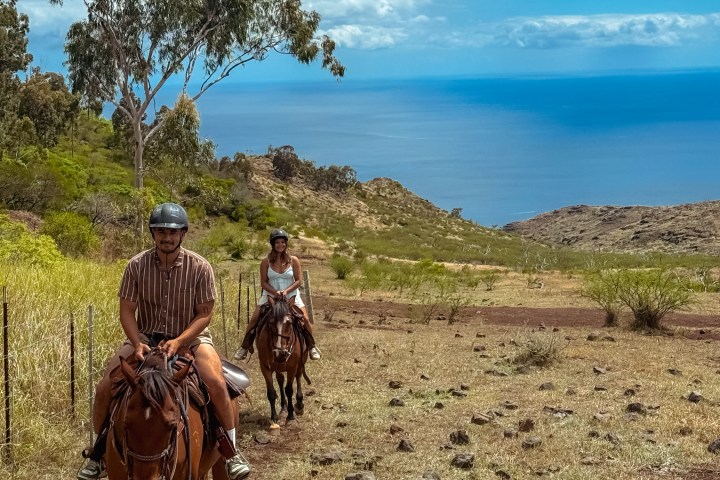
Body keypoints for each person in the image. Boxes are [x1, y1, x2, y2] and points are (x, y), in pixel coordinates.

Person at [77, 203, 251, 480]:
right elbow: (127, 311)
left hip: (191, 338)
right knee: (104, 387)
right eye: (160, 231)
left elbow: (204, 314)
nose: (166, 237)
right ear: (152, 233)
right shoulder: (136, 266)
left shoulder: (200, 267)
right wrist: (136, 343)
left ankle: (231, 451)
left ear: (182, 234)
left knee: (216, 383)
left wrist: (181, 340)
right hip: (146, 337)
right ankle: (98, 453)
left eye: (172, 232)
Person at [234, 228, 321, 361]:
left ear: (286, 244)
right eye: (277, 242)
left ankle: (311, 346)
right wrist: (275, 292)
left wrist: (286, 291)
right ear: (273, 244)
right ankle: (245, 347)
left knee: (305, 319)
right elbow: (263, 282)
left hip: (291, 294)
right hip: (270, 294)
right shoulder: (266, 262)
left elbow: (298, 280)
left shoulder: (294, 260)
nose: (280, 245)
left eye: (282, 242)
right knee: (254, 319)